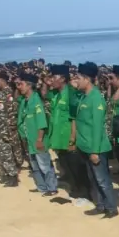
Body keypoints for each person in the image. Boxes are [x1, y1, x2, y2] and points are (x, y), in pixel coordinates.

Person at [75, 61, 117, 217]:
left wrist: (94, 151)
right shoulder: (83, 97)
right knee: (93, 179)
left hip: (95, 147)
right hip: (85, 145)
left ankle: (111, 208)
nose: (76, 81)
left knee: (102, 180)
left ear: (87, 79)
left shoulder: (96, 98)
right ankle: (100, 205)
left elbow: (97, 127)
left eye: (79, 78)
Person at [18, 72, 58, 196]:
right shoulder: (25, 101)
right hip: (30, 140)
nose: (19, 86)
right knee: (35, 166)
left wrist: (39, 139)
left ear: (29, 86)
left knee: (45, 165)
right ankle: (42, 187)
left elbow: (41, 122)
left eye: (21, 84)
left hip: (37, 140)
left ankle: (52, 188)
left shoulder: (36, 101)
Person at [45, 65, 76, 196]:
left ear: (63, 78)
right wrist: (47, 84)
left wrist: (73, 137)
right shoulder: (56, 94)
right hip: (58, 136)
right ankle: (71, 183)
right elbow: (45, 95)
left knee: (73, 165)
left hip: (67, 136)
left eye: (54, 77)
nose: (52, 80)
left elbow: (74, 117)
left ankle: (78, 189)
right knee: (64, 163)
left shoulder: (70, 93)